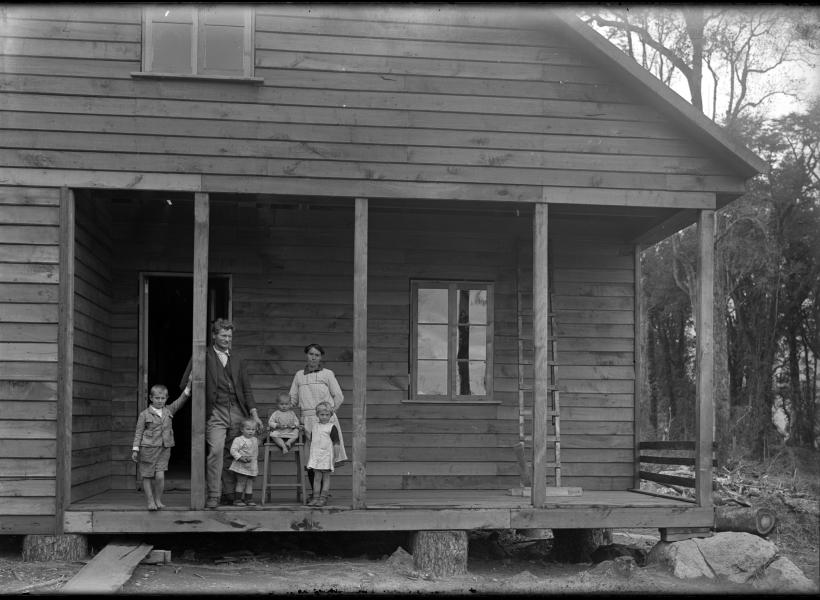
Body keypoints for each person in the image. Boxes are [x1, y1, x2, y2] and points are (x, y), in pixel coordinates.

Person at [180, 318, 263, 509]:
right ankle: (214, 495)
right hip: (215, 411)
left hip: (237, 411)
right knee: (216, 451)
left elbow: (247, 389)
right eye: (224, 335)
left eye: (230, 336)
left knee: (233, 452)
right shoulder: (202, 355)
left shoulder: (237, 358)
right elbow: (187, 383)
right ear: (214, 335)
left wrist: (254, 414)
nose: (227, 339)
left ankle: (231, 494)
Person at [288, 343, 348, 500]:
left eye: (317, 355)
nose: (313, 357)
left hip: (325, 421)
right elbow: (292, 399)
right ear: (306, 355)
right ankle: (315, 494)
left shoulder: (327, 374)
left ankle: (323, 494)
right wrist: (283, 408)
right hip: (308, 421)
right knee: (311, 458)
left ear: (321, 357)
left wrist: (328, 413)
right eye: (311, 354)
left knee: (325, 455)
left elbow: (339, 396)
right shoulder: (299, 375)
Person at [132, 380, 192, 510]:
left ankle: (158, 499)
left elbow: (181, 400)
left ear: (166, 398)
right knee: (147, 476)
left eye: (163, 398)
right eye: (157, 398)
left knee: (159, 476)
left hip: (164, 449)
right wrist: (135, 449)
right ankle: (150, 501)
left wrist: (189, 385)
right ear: (151, 398)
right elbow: (138, 432)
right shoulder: (144, 414)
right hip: (148, 449)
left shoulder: (168, 410)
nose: (160, 401)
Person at [305, 402, 341, 507]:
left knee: (326, 477)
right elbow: (312, 440)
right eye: (322, 415)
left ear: (330, 415)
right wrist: (304, 430)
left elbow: (336, 443)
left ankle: (323, 498)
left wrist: (336, 456)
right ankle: (315, 498)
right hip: (316, 456)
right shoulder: (315, 426)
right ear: (317, 415)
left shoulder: (332, 427)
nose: (324, 417)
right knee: (317, 477)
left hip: (326, 456)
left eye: (327, 415)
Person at [228, 418, 260, 506]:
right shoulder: (238, 440)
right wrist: (240, 457)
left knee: (249, 483)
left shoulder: (255, 440)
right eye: (248, 429)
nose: (251, 431)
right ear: (242, 430)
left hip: (252, 465)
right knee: (241, 482)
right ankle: (237, 500)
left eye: (253, 429)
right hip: (241, 465)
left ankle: (248, 499)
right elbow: (233, 450)